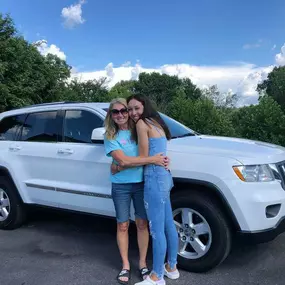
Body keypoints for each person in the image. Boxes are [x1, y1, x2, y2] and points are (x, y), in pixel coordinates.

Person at [103, 98, 169, 285]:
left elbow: (124, 162)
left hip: (141, 183)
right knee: (122, 225)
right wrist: (150, 160)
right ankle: (125, 265)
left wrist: (121, 165)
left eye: (123, 110)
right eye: (115, 112)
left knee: (142, 224)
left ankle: (142, 263)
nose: (121, 115)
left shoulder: (138, 128)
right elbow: (122, 160)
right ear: (111, 115)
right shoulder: (110, 135)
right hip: (121, 186)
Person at [126, 94, 180, 285]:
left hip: (154, 178)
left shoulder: (142, 124)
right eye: (130, 109)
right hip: (164, 177)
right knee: (167, 224)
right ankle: (171, 267)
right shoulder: (156, 122)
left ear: (144, 107)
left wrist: (125, 159)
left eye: (136, 108)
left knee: (156, 229)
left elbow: (142, 157)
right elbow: (157, 153)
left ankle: (157, 276)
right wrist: (158, 159)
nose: (133, 113)